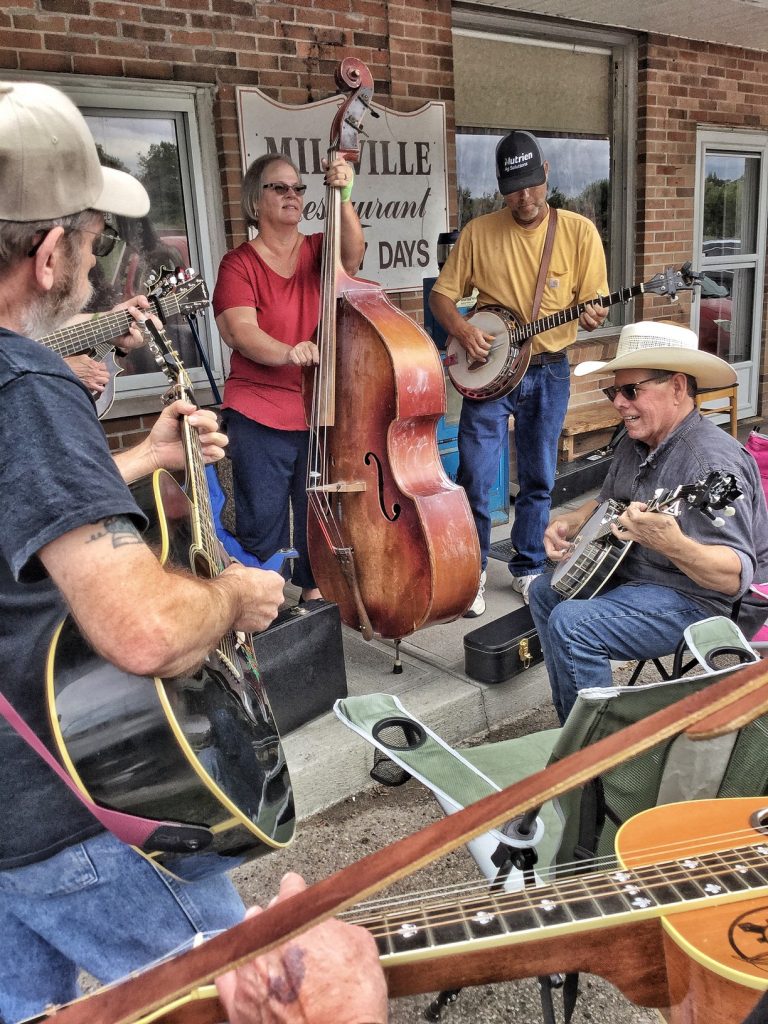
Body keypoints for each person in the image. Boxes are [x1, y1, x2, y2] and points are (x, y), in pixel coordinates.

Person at [0, 80, 385, 1024]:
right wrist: (235, 601)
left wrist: (143, 458)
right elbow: (141, 630)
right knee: (242, 1001)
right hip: (75, 813)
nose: (96, 263)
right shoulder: (27, 382)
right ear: (50, 253)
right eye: (93, 241)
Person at [528, 320, 768, 724]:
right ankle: (572, 726)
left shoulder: (711, 463)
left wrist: (672, 543)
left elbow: (733, 579)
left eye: (631, 390)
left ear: (677, 387)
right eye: (614, 392)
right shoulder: (636, 439)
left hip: (702, 601)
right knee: (543, 591)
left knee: (574, 624)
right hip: (637, 578)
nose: (619, 403)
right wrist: (571, 519)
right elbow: (611, 501)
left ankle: (600, 759)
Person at [429, 130, 609, 616]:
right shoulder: (478, 232)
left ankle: (528, 566)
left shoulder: (578, 232)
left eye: (531, 184)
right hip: (488, 374)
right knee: (475, 475)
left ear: (546, 173)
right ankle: (475, 571)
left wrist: (592, 315)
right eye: (514, 188)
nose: (524, 197)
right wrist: (464, 331)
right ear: (499, 186)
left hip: (549, 370)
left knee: (538, 478)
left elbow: (592, 304)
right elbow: (441, 297)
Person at [213, 152, 365, 602]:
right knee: (264, 520)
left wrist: (343, 196)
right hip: (259, 410)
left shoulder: (319, 248)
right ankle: (264, 608)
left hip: (316, 407)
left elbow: (352, 259)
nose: (292, 195)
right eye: (279, 187)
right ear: (255, 200)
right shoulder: (238, 264)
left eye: (298, 188)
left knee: (318, 511)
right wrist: (288, 352)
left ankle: (313, 598)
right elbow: (240, 332)